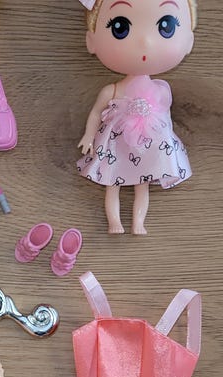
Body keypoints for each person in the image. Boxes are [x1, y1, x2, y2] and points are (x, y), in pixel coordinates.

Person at [76, 0, 197, 234]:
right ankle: (114, 222)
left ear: (189, 41)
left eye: (166, 26)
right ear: (91, 40)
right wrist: (89, 135)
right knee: (112, 183)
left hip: (147, 146)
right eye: (120, 27)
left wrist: (168, 145)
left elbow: (165, 120)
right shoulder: (112, 90)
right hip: (115, 146)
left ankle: (138, 223)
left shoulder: (160, 90)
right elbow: (96, 112)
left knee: (142, 185)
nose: (144, 42)